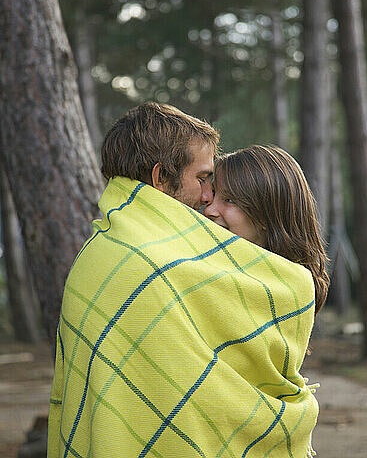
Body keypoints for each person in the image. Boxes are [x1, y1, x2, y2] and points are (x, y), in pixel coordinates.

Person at [48, 105, 319, 458]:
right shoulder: (156, 265)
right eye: (203, 179)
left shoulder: (97, 255)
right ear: (161, 178)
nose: (207, 198)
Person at [204, 145, 329, 315]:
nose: (208, 210)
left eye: (230, 200)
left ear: (266, 213)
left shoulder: (292, 292)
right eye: (213, 193)